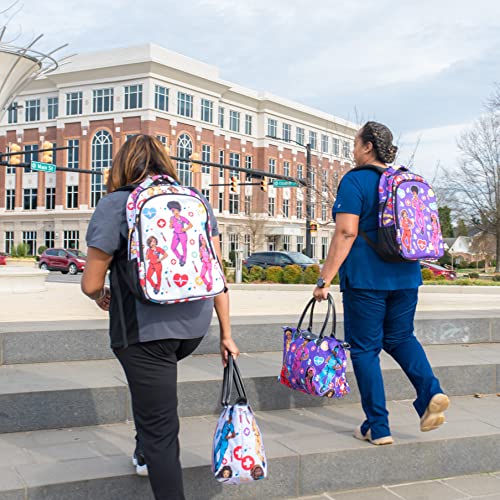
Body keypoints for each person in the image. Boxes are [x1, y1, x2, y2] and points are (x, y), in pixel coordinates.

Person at [81, 134, 240, 500]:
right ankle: (141, 453)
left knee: (161, 431)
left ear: (121, 165)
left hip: (145, 331)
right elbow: (216, 273)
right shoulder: (195, 200)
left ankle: (154, 463)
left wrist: (100, 296)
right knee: (150, 397)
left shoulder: (115, 204)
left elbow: (90, 283)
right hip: (194, 326)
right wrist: (226, 333)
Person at [313, 121, 449, 446]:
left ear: (368, 146)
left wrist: (324, 278)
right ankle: (431, 393)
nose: (353, 149)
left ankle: (379, 425)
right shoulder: (404, 179)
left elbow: (346, 232)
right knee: (401, 337)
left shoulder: (355, 181)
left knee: (364, 349)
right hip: (406, 275)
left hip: (366, 280)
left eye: (356, 143)